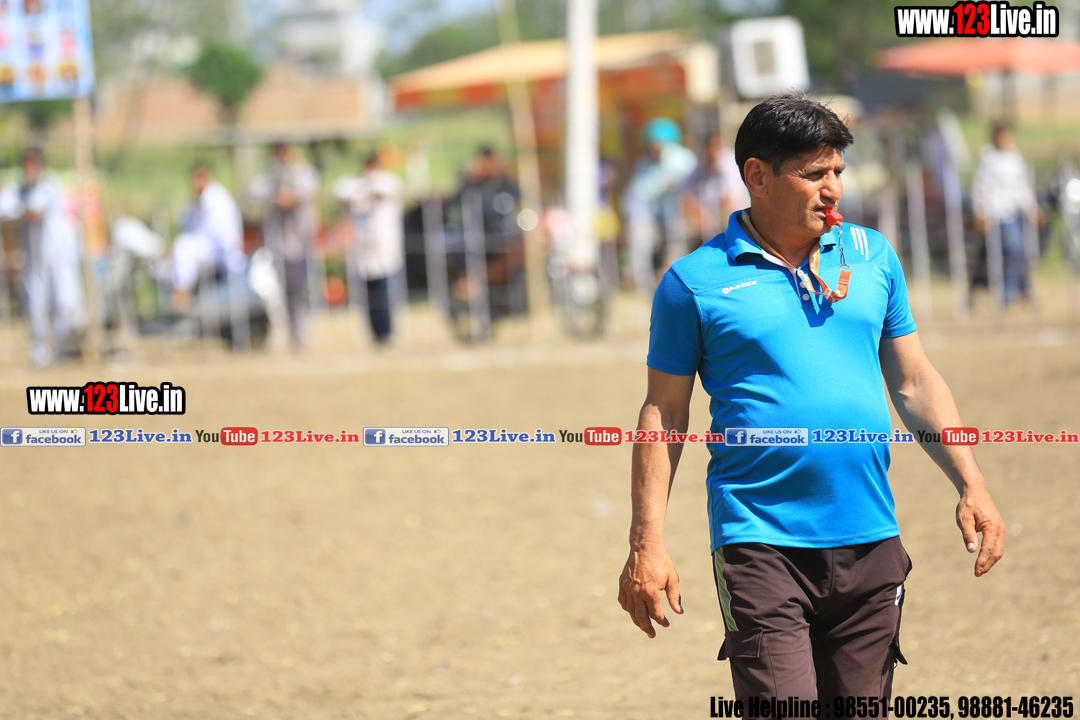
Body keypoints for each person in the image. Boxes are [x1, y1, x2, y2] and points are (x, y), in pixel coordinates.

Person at [618, 95, 1004, 704]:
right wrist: (647, 544)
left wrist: (972, 483)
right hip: (759, 545)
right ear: (757, 176)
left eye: (838, 172)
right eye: (814, 173)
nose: (833, 189)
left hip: (872, 539)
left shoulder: (873, 256)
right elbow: (663, 414)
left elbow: (915, 381)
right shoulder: (693, 282)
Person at [0, 148, 84, 367]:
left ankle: (61, 350)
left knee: (64, 302)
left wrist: (20, 211)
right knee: (35, 304)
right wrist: (20, 210)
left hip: (58, 256)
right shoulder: (17, 189)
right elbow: (5, 208)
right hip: (33, 258)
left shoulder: (50, 185)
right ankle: (40, 353)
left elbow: (37, 210)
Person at [248, 142, 320, 349]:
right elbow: (253, 193)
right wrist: (275, 195)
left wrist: (287, 195)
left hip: (300, 243)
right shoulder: (270, 177)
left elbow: (300, 195)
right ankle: (288, 335)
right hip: (278, 245)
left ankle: (302, 335)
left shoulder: (304, 174)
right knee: (282, 293)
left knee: (301, 291)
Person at [333, 153, 404, 345]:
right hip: (363, 251)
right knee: (369, 297)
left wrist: (368, 190)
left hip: (384, 250)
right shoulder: (356, 184)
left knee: (386, 293)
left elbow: (385, 191)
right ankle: (375, 333)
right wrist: (363, 190)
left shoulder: (388, 181)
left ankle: (388, 332)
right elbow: (341, 193)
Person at [621, 118, 698, 295]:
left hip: (680, 216)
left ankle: (677, 282)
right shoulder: (644, 164)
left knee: (677, 239)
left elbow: (690, 190)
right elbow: (638, 194)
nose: (654, 147)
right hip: (654, 217)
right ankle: (642, 284)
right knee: (639, 236)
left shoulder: (684, 159)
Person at [971, 122, 1038, 305]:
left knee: (1017, 251)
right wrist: (980, 211)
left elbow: (1022, 186)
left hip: (1011, 215)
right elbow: (980, 186)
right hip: (993, 215)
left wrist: (1032, 209)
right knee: (987, 257)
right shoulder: (987, 157)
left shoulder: (1015, 156)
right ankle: (975, 293)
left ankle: (1008, 294)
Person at [170, 162, 245, 313]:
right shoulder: (197, 200)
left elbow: (220, 236)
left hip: (222, 252)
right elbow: (183, 221)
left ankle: (183, 295)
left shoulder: (217, 200)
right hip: (209, 248)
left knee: (184, 247)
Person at [682, 130, 752, 241]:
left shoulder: (731, 163)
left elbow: (731, 199)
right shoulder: (700, 165)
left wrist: (710, 218)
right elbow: (686, 195)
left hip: (728, 215)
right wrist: (701, 215)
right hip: (704, 217)